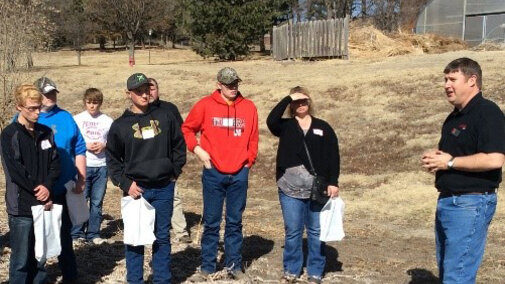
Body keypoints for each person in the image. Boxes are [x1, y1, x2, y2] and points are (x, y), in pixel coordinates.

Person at [421, 57, 505, 283]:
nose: (446, 85)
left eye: (452, 79)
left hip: (470, 204)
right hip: (448, 201)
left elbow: (495, 159)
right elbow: (454, 158)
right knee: (450, 272)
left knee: (457, 277)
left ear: (472, 80)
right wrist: (438, 162)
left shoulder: (487, 112)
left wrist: (449, 163)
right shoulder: (454, 118)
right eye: (445, 79)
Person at [106, 73, 186, 283]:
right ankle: (135, 280)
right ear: (128, 94)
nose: (144, 94)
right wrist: (125, 184)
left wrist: (174, 171)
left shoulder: (165, 116)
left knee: (162, 238)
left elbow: (179, 145)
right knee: (135, 241)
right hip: (136, 191)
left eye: (147, 90)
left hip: (163, 188)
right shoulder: (120, 125)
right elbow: (113, 160)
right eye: (139, 91)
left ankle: (162, 279)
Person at [181, 67, 258, 280]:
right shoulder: (205, 105)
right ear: (219, 85)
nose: (233, 88)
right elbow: (187, 129)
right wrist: (198, 151)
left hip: (239, 173)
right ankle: (207, 267)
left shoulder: (249, 107)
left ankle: (234, 266)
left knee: (234, 222)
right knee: (212, 222)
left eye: (235, 84)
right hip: (213, 172)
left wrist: (247, 162)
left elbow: (253, 138)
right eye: (228, 84)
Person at [266, 86, 340, 284]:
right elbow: (271, 120)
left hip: (317, 189)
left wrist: (333, 182)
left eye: (304, 100)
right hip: (289, 189)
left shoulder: (323, 127)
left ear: (309, 102)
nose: (300, 105)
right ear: (291, 105)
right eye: (296, 102)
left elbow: (333, 156)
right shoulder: (285, 126)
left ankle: (315, 271)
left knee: (316, 231)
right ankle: (291, 270)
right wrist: (288, 96)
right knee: (293, 231)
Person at [1, 84, 60, 283]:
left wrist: (48, 187)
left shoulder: (46, 132)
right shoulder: (10, 134)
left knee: (40, 257)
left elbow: (54, 162)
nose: (37, 113)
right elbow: (16, 172)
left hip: (44, 203)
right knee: (21, 259)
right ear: (19, 107)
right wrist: (39, 190)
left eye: (39, 108)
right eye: (32, 109)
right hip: (22, 206)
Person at [34, 76, 87, 282]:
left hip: (62, 187)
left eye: (53, 93)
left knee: (65, 235)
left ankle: (70, 275)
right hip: (37, 190)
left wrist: (81, 177)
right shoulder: (28, 118)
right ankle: (38, 276)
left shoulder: (65, 117)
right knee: (37, 237)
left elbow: (79, 147)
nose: (51, 97)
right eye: (46, 94)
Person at [148, 78, 191, 244]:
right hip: (146, 165)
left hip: (168, 164)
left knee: (175, 197)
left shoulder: (169, 109)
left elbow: (181, 136)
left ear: (158, 90)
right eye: (147, 89)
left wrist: (176, 166)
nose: (150, 92)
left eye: (153, 88)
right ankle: (149, 232)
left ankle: (180, 231)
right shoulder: (139, 111)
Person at [71, 88, 113, 244]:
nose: (92, 106)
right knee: (81, 200)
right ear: (84, 102)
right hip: (83, 165)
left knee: (97, 202)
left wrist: (104, 146)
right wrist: (85, 145)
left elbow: (114, 141)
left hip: (101, 166)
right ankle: (77, 233)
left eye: (95, 103)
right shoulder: (77, 119)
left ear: (100, 103)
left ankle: (94, 233)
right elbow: (72, 140)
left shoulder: (108, 121)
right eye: (89, 103)